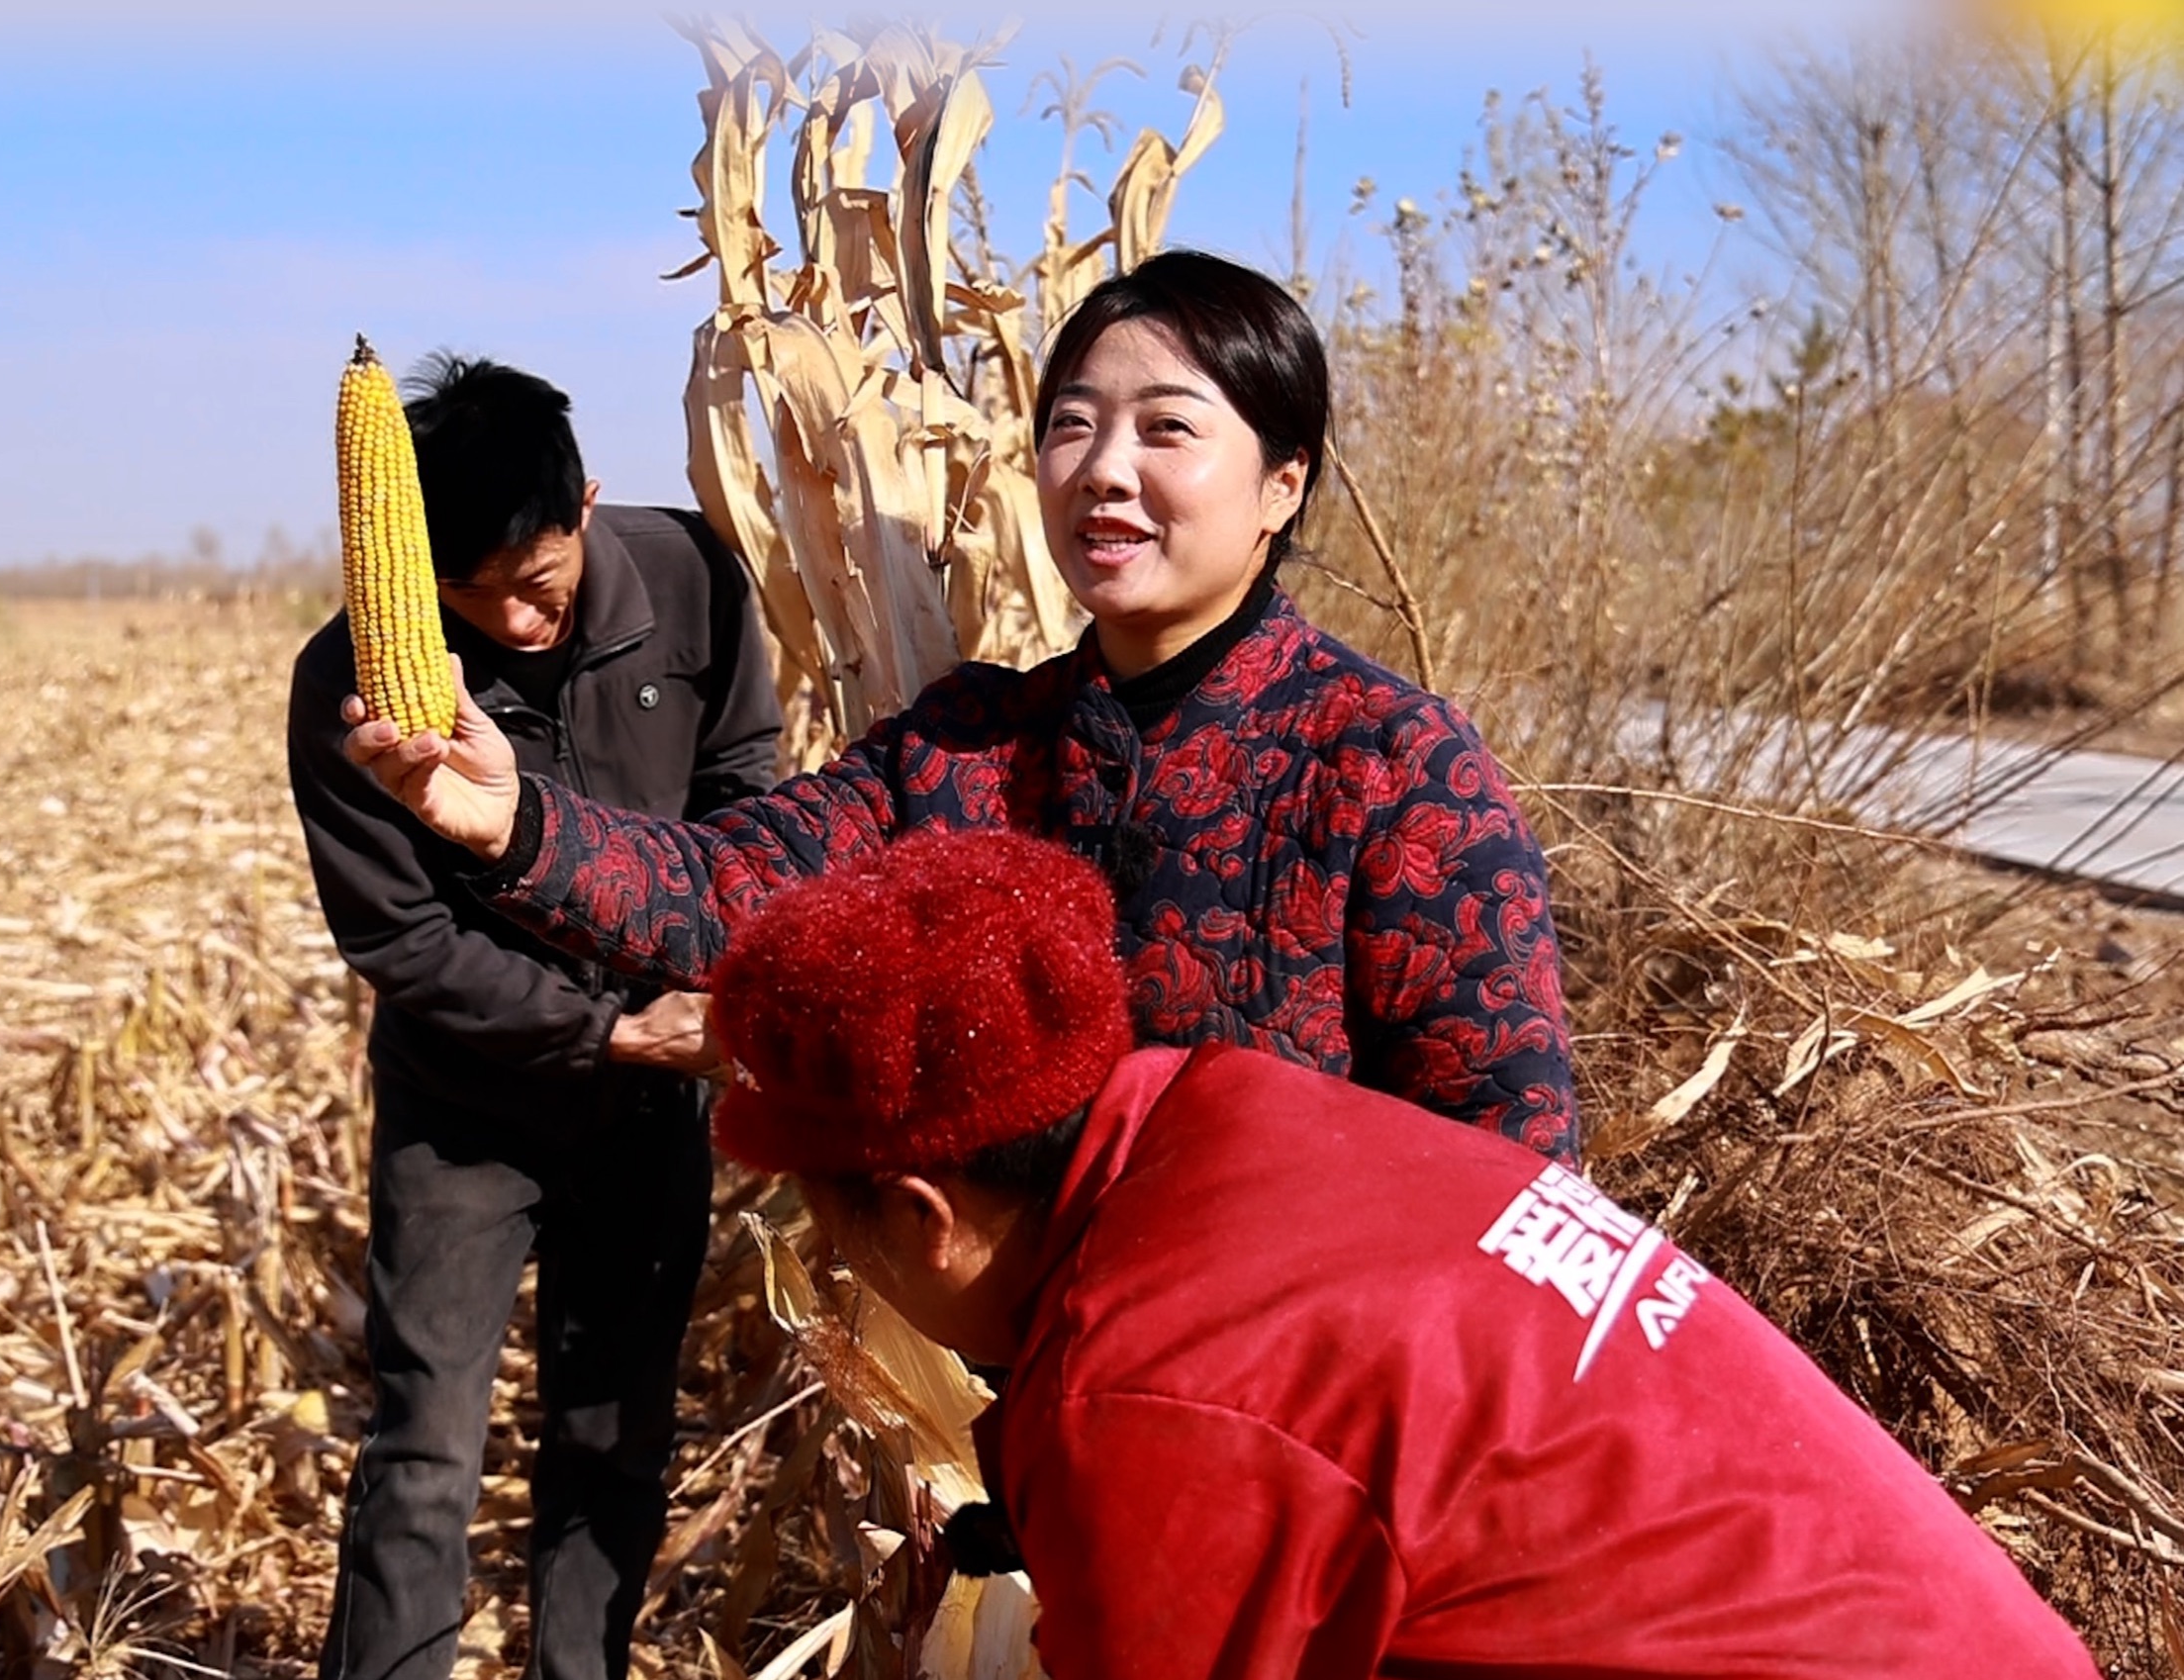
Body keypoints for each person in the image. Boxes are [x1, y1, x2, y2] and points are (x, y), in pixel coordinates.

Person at [700, 826, 2102, 1680]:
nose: (852, 1275)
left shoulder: (1152, 1393)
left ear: (922, 1214)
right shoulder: (1242, 1117)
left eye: (839, 1234)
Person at [348, 250, 1579, 1164]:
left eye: (1165, 431)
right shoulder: (973, 747)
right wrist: (516, 827)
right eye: (1072, 427)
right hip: (1032, 1396)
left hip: (1292, 1418)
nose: (1103, 470)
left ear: (1280, 483)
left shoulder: (1389, 765)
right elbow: (735, 894)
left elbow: (1506, 1161)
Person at [287, 353, 781, 1680]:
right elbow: (403, 936)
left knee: (613, 1435)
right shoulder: (346, 679)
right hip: (466, 1110)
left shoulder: (692, 580)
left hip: (651, 1104)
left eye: (537, 581)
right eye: (470, 593)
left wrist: (705, 998)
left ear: (590, 504)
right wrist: (612, 1030)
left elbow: (751, 794)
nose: (509, 617)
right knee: (424, 1447)